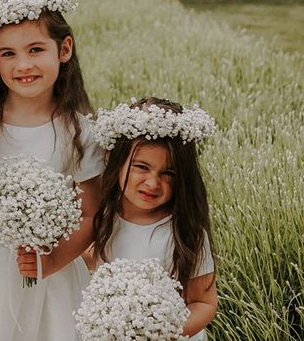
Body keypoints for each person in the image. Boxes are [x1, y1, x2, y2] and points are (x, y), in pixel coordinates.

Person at [0, 0, 103, 341]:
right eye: (8, 53)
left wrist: (53, 261)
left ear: (64, 49)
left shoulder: (80, 132)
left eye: (36, 49)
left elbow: (90, 214)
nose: (23, 64)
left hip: (49, 272)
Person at [86, 97, 218, 340]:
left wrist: (157, 332)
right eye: (141, 167)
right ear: (115, 160)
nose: (152, 183)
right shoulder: (101, 219)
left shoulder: (185, 231)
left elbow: (204, 303)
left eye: (168, 173)